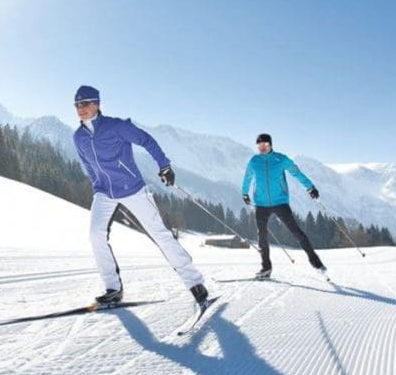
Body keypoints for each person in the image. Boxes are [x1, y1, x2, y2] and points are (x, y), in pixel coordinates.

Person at [71, 85, 209, 307]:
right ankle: (113, 288)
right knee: (95, 234)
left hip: (132, 188)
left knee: (160, 234)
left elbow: (146, 140)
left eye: (85, 103)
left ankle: (194, 282)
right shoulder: (78, 137)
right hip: (105, 192)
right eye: (77, 105)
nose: (81, 109)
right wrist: (97, 184)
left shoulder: (116, 126)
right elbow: (87, 164)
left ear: (96, 103)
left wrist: (164, 165)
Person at [241, 133, 326, 279]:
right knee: (262, 237)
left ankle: (316, 262)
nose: (262, 148)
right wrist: (244, 193)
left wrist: (310, 187)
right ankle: (266, 268)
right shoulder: (254, 161)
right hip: (261, 204)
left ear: (271, 145)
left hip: (280, 202)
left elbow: (296, 173)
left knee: (296, 232)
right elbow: (247, 177)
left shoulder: (280, 159)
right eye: (259, 146)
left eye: (265, 145)